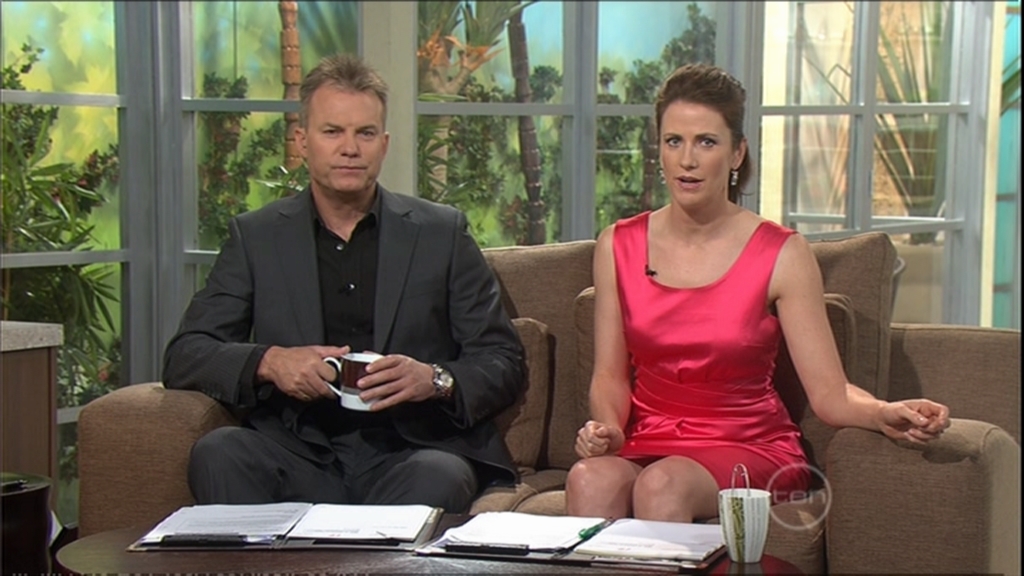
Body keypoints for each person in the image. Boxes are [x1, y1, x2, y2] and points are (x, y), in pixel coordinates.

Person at [565, 63, 950, 523]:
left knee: (662, 484)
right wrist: (607, 429)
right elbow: (610, 376)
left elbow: (830, 392)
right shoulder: (618, 244)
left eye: (706, 142)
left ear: (737, 153)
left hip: (750, 444)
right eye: (674, 141)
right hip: (650, 440)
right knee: (589, 478)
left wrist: (883, 412)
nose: (687, 160)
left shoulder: (782, 252)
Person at [163, 54, 525, 512]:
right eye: (332, 131)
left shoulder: (441, 233)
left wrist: (434, 379)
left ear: (384, 144)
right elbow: (186, 354)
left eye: (365, 133)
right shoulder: (256, 237)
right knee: (219, 453)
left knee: (441, 474)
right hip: (296, 449)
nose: (350, 148)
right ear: (302, 141)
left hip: (409, 450)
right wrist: (270, 362)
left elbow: (502, 359)